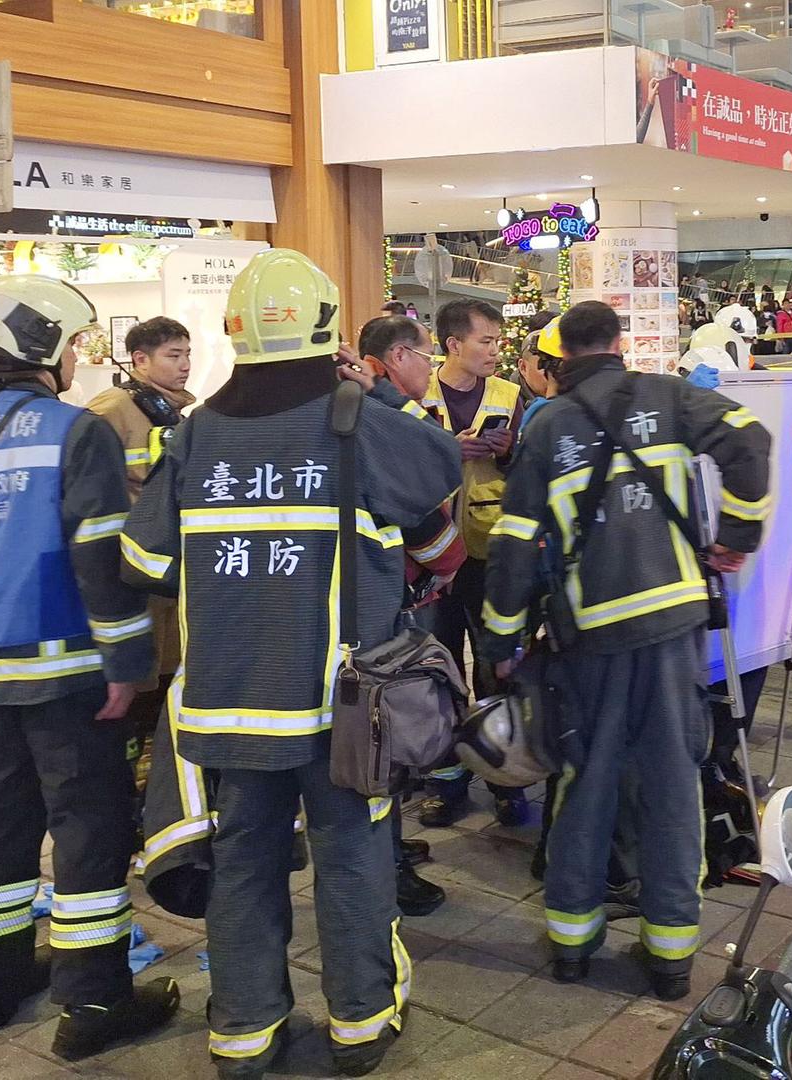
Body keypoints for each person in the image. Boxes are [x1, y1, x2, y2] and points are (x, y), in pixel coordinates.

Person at [121, 251, 461, 1078]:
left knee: (243, 861)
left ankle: (243, 1032)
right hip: (344, 709)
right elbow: (438, 483)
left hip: (229, 701)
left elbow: (143, 558)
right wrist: (375, 389)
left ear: (234, 331)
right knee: (352, 857)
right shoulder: (360, 420)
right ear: (329, 329)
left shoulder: (195, 430)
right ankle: (359, 1025)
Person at [0, 274, 179, 1055]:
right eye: (75, 343)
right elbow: (97, 556)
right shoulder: (70, 431)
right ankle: (95, 1004)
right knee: (89, 828)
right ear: (43, 346)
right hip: (63, 671)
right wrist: (127, 660)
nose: (80, 358)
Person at [480, 300, 771, 1001]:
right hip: (674, 630)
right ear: (617, 344)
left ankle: (574, 944)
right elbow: (752, 443)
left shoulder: (549, 426)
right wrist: (739, 536)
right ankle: (671, 956)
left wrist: (500, 639)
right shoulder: (670, 398)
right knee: (672, 779)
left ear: (559, 360)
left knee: (585, 782)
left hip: (592, 641)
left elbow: (515, 545)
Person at [352, 312, 465, 918]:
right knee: (377, 741)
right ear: (397, 356)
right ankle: (386, 870)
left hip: (337, 616)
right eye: (427, 355)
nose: (431, 368)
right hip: (373, 613)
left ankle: (388, 848)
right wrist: (446, 562)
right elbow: (429, 480)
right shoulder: (375, 414)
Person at [418, 298, 529, 827]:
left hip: (490, 550)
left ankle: (506, 777)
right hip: (432, 554)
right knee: (438, 671)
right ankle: (446, 778)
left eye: (497, 340)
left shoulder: (510, 393)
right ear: (453, 345)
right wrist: (446, 450)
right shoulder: (419, 393)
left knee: (496, 667)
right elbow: (402, 463)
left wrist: (506, 451)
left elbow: (525, 466)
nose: (494, 349)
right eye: (484, 340)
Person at [86, 316, 194, 826]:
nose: (184, 365)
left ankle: (158, 811)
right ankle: (124, 815)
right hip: (131, 587)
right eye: (172, 355)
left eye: (186, 353)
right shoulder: (109, 414)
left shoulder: (180, 413)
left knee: (163, 701)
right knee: (134, 707)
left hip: (174, 589)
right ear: (140, 361)